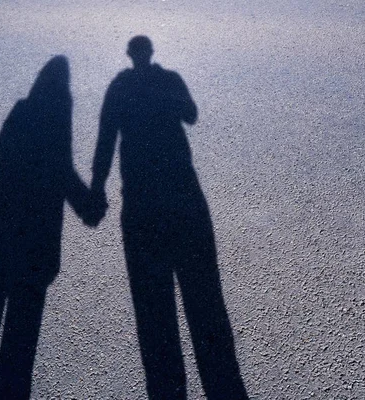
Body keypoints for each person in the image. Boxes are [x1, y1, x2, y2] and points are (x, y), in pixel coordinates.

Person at [90, 36, 248, 399]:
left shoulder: (120, 88)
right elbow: (190, 114)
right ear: (149, 54)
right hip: (184, 201)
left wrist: (97, 188)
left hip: (143, 206)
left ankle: (169, 386)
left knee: (153, 308)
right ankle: (220, 383)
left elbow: (105, 140)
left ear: (131, 56)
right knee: (204, 298)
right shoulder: (169, 80)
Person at [0, 56, 92, 400]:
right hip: (35, 254)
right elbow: (61, 169)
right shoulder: (58, 118)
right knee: (18, 356)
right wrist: (88, 206)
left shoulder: (22, 112)